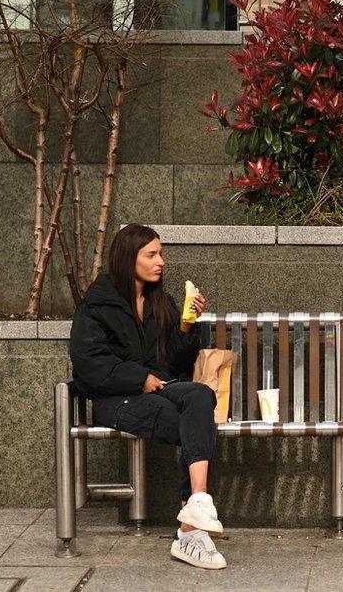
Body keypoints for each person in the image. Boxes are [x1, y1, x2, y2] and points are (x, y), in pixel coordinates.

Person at [69, 224, 226, 570]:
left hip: (163, 388)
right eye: (151, 255)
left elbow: (175, 363)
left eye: (161, 254)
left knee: (200, 397)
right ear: (129, 258)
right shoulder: (98, 304)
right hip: (117, 398)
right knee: (191, 423)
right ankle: (190, 533)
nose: (161, 262)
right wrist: (140, 378)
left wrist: (186, 326)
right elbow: (89, 363)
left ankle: (196, 504)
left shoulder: (161, 301)